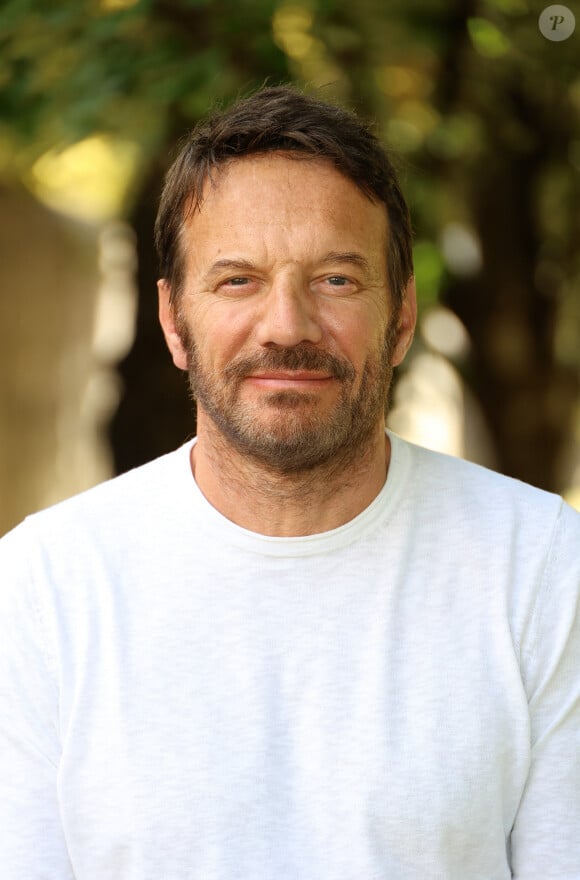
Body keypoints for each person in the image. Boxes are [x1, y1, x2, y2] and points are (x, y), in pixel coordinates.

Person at [0, 85, 579, 880]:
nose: (286, 325)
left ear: (402, 315)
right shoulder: (45, 585)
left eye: (337, 279)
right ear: (173, 321)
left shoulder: (544, 568)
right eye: (237, 280)